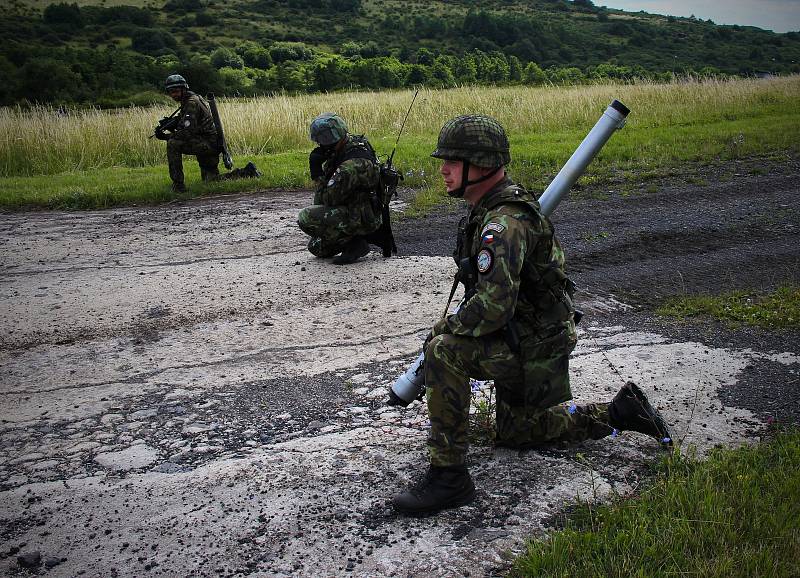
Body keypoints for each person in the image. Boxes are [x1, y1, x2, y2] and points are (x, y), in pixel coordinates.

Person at [392, 114, 672, 515]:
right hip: (528, 336)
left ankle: (448, 478)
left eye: (453, 160)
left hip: (532, 345)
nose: (443, 168)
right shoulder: (490, 210)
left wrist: (445, 328)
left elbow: (492, 306)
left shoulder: (504, 223)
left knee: (443, 350)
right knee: (518, 433)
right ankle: (619, 412)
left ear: (482, 166)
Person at [297, 113, 383, 265]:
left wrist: (317, 174)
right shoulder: (355, 144)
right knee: (316, 248)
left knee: (306, 218)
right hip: (363, 211)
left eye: (322, 142)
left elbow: (326, 200)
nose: (320, 145)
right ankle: (353, 241)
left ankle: (355, 242)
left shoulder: (349, 167)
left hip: (359, 217)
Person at [156, 74, 260, 193]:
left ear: (184, 89)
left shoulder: (191, 102)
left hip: (207, 144)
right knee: (210, 181)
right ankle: (246, 172)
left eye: (175, 91)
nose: (173, 95)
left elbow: (186, 132)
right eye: (170, 92)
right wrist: (172, 124)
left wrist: (165, 136)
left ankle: (178, 186)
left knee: (173, 144)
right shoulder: (194, 98)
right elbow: (187, 122)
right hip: (210, 142)